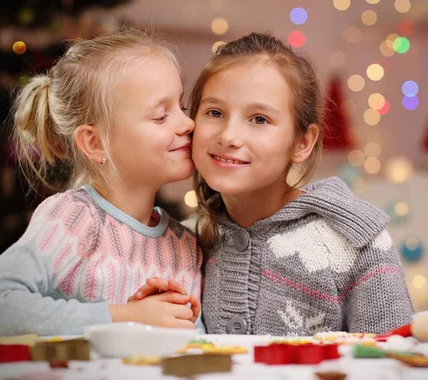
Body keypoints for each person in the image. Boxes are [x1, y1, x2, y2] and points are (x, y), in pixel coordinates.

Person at [133, 32, 413, 336]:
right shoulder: (183, 242)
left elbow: (396, 360)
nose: (229, 136)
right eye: (215, 112)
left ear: (302, 142)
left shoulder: (356, 241)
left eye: (259, 119)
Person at [0, 29, 202, 338]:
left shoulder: (185, 243)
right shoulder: (74, 219)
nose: (188, 123)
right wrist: (124, 317)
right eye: (161, 116)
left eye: (181, 107)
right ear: (95, 143)